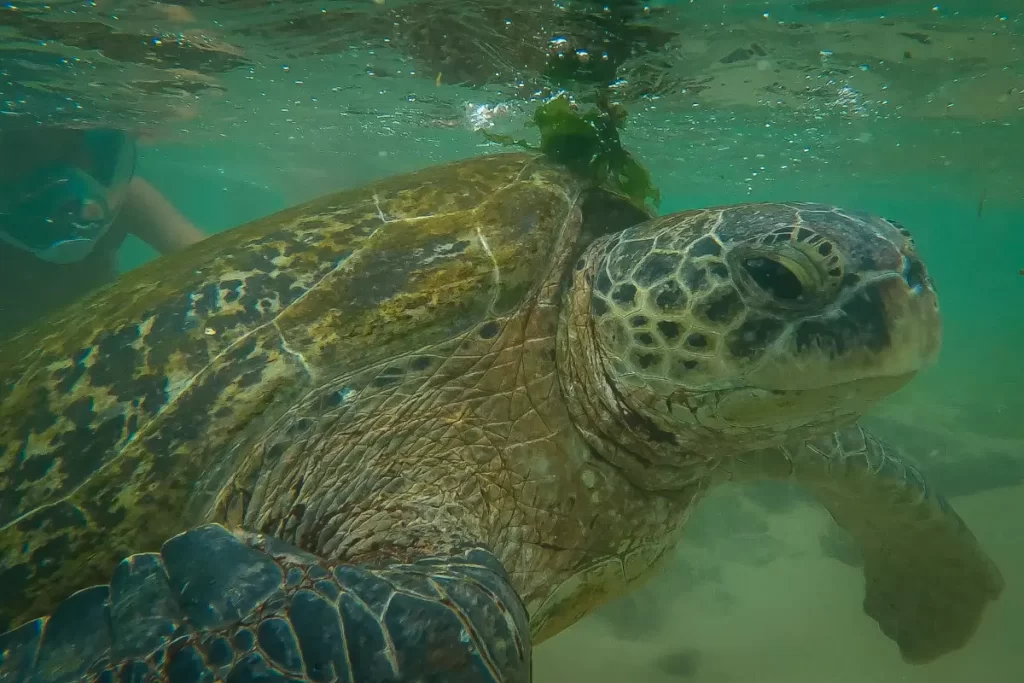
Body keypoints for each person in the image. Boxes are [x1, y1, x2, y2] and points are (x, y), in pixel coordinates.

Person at [0, 126, 206, 339]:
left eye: (76, 151)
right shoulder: (125, 199)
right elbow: (215, 258)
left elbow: (209, 258)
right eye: (22, 151)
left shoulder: (127, 198)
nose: (70, 192)